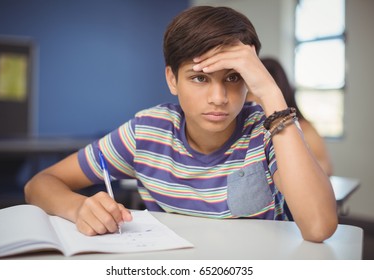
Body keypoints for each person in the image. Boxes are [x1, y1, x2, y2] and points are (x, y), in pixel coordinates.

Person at [24, 6, 337, 242]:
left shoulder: (267, 131)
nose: (218, 97)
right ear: (172, 79)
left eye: (233, 77)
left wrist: (270, 91)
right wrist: (77, 208)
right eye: (199, 78)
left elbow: (319, 226)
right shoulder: (147, 131)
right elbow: (39, 184)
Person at [246, 57, 333, 176]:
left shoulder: (304, 128)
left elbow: (326, 168)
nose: (251, 100)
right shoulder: (248, 130)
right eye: (250, 93)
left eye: (256, 93)